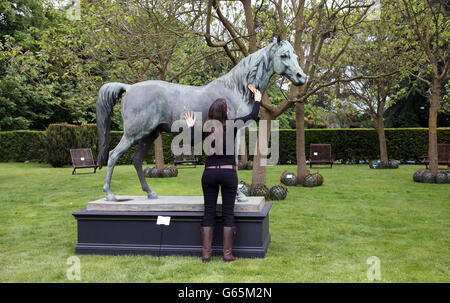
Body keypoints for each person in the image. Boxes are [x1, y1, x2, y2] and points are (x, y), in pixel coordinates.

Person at [184, 84, 262, 262]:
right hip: (228, 174)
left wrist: (190, 126)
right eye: (227, 108)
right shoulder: (232, 124)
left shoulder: (207, 127)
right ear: (224, 112)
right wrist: (257, 100)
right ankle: (227, 255)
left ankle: (206, 254)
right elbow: (252, 117)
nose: (229, 110)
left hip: (209, 174)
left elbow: (191, 144)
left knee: (209, 212)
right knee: (228, 213)